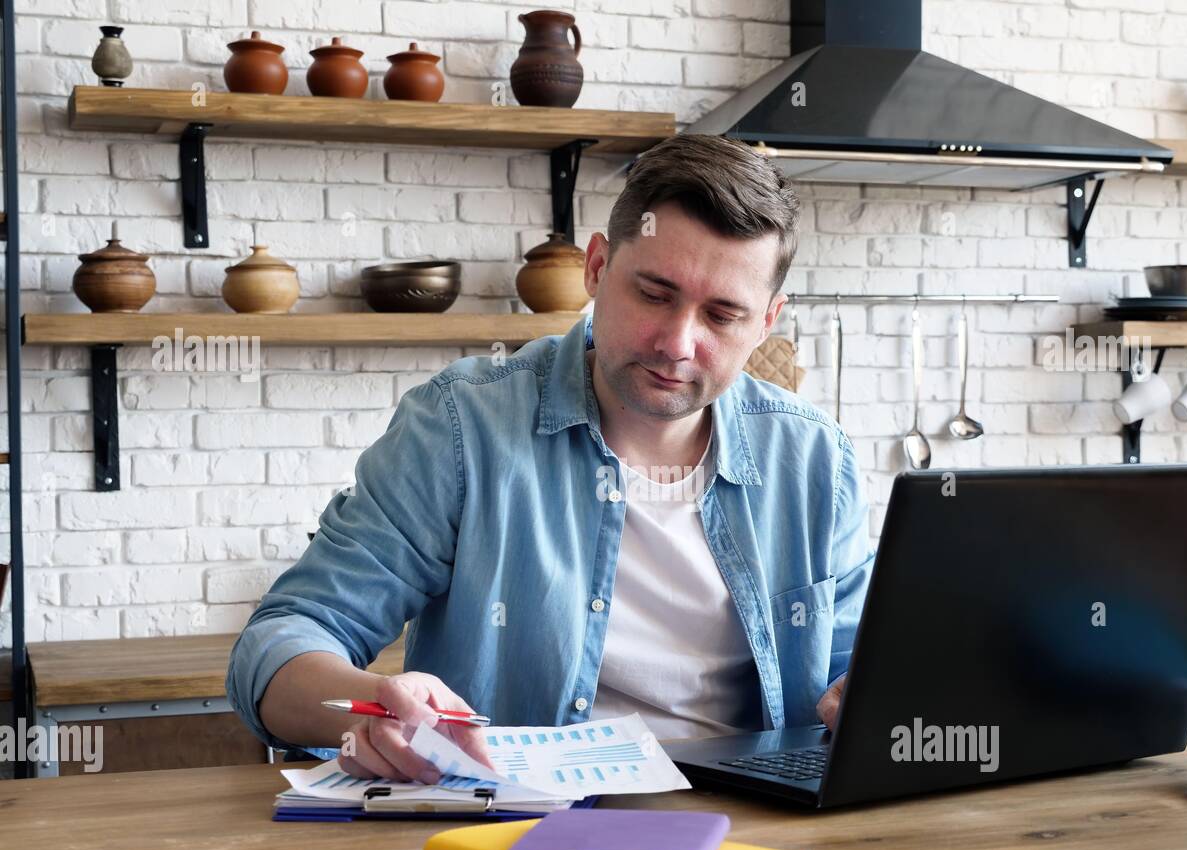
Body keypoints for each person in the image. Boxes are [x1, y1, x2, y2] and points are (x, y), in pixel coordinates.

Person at [226, 133, 874, 784]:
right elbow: (282, 639)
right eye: (653, 293)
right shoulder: (461, 428)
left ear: (767, 321)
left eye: (723, 315)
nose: (678, 342)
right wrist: (365, 713)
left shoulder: (813, 458)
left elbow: (859, 672)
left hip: (756, 842)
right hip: (515, 839)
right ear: (596, 267)